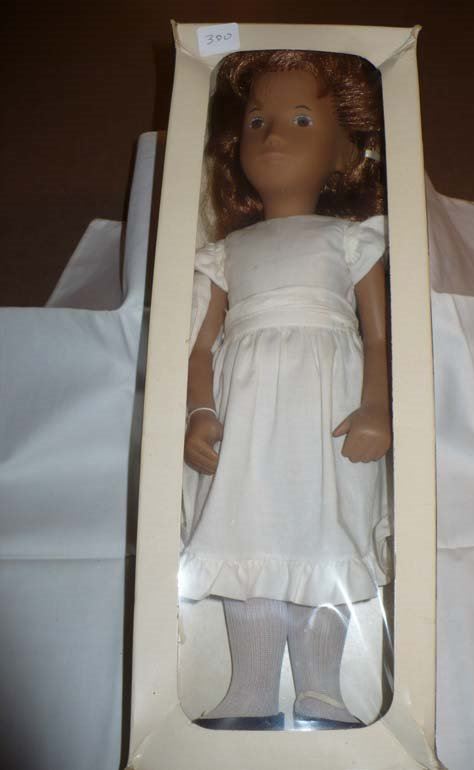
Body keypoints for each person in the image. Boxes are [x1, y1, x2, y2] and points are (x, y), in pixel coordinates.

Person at [180, 50, 392, 731]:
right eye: (257, 121)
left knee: (323, 532)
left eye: (302, 120)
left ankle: (323, 692)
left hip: (328, 409)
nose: (273, 135)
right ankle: (250, 691)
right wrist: (199, 409)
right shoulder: (228, 251)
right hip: (245, 411)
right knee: (248, 531)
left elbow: (379, 336)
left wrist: (377, 405)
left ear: (343, 153)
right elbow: (200, 346)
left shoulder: (350, 241)